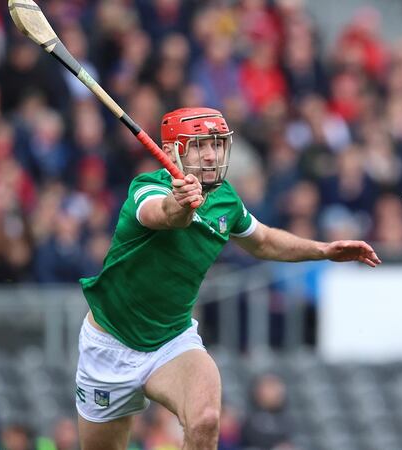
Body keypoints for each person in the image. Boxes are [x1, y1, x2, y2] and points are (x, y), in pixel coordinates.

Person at [74, 107, 381, 449]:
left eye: (217, 145)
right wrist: (181, 205)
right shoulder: (146, 189)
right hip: (109, 346)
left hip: (171, 341)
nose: (211, 154)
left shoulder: (225, 200)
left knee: (205, 420)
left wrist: (323, 250)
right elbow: (162, 214)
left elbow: (263, 241)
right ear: (175, 150)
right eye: (200, 145)